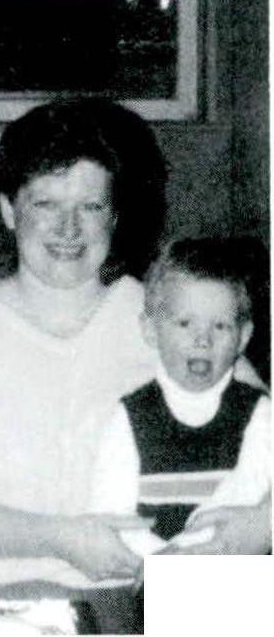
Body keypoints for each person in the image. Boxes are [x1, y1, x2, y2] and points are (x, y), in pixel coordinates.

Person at [0, 98, 262, 634]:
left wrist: (262, 525)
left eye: (90, 206)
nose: (69, 228)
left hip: (155, 604)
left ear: (113, 216)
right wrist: (60, 538)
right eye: (46, 203)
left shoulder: (170, 319)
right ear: (9, 210)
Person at [90, 238, 271, 557]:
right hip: (150, 571)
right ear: (151, 329)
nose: (203, 340)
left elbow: (249, 492)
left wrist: (194, 555)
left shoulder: (259, 413)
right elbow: (111, 514)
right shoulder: (131, 416)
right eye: (185, 323)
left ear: (243, 337)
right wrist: (162, 561)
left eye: (220, 326)